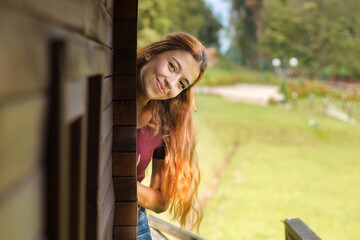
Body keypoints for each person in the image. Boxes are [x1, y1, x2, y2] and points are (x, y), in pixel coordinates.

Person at [136, 32, 208, 239]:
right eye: (172, 66)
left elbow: (161, 201)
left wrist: (123, 181)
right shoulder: (107, 84)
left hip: (133, 220)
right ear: (153, 53)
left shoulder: (163, 125)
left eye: (182, 84)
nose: (171, 82)